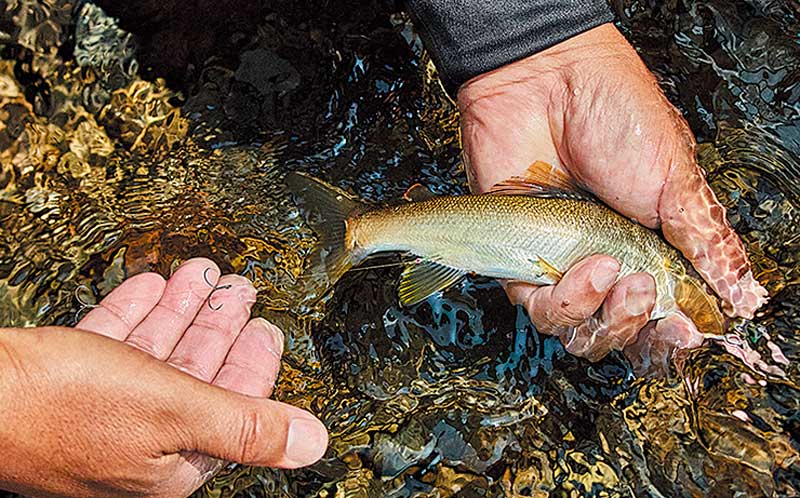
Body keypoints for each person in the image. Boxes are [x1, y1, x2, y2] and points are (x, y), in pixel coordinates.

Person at [0, 1, 768, 497]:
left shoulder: (639, 249)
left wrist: (535, 41)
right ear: (676, 284)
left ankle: (362, 234)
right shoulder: (653, 270)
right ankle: (355, 234)